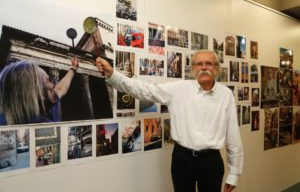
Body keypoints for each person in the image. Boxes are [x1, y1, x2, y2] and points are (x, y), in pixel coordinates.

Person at [95, 50, 243, 192]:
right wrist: (112, 74)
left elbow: (233, 136)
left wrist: (234, 173)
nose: (204, 67)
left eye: (208, 63)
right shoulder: (179, 89)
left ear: (216, 68)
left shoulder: (226, 95)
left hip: (211, 162)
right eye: (199, 64)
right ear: (193, 68)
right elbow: (145, 90)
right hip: (182, 159)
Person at [0, 57, 79, 125]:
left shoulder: (49, 100)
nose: (53, 86)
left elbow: (60, 89)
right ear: (32, 93)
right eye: (48, 81)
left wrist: (73, 68)